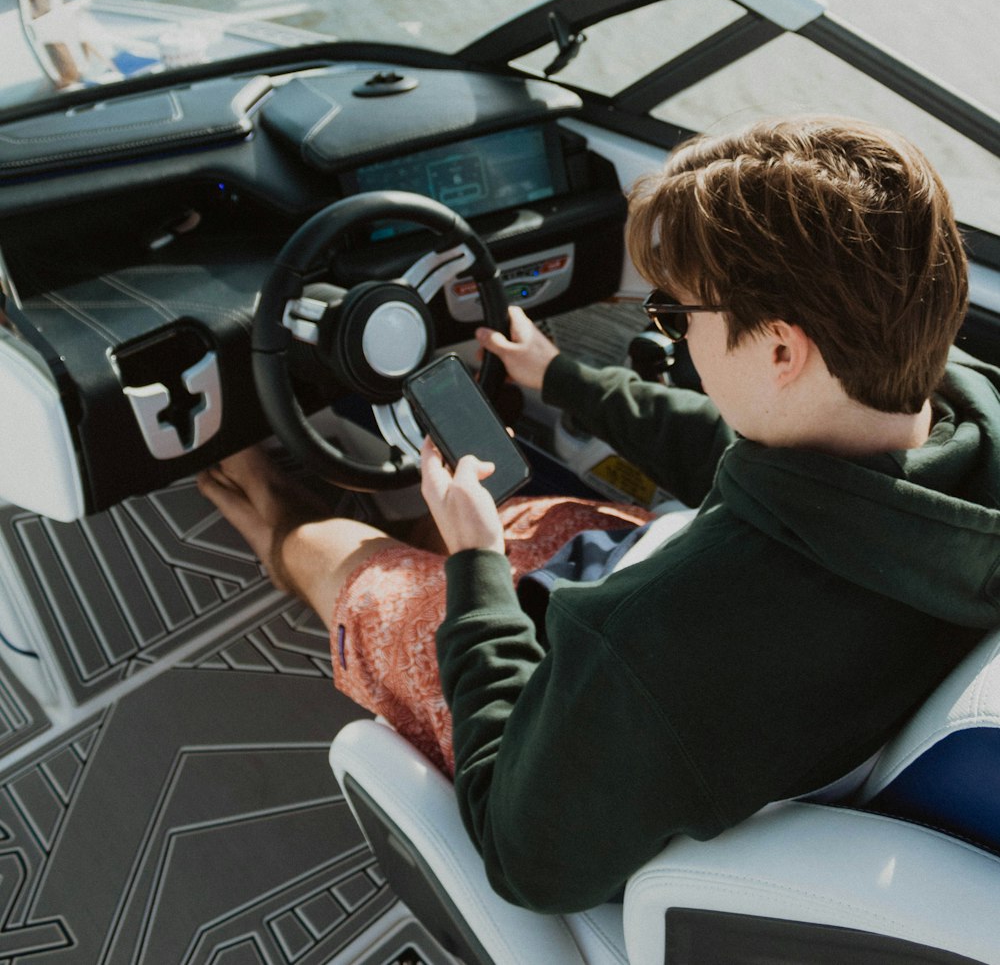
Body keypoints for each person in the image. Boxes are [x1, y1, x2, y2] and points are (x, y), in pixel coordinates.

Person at [198, 116, 1000, 913]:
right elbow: (743, 453)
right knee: (498, 519)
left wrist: (475, 569)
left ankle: (260, 495)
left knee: (341, 553)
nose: (678, 339)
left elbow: (522, 857)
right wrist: (563, 379)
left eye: (680, 317)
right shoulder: (953, 427)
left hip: (599, 719)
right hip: (658, 616)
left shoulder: (654, 641)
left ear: (782, 352)